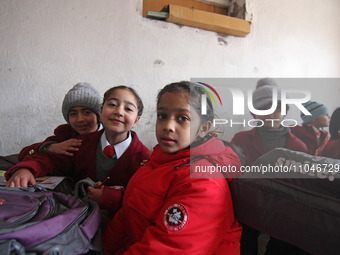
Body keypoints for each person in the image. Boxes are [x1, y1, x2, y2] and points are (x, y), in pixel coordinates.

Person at [103, 81, 242, 255]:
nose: (168, 126)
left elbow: (169, 248)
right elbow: (128, 216)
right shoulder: (158, 161)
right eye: (162, 115)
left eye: (183, 118)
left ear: (203, 129)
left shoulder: (205, 181)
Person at [6, 85, 151, 216]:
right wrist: (26, 169)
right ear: (101, 111)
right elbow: (51, 160)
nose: (118, 112)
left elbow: (145, 199)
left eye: (128, 109)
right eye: (112, 104)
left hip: (117, 222)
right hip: (78, 215)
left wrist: (109, 197)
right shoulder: (82, 144)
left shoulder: (143, 158)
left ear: (136, 121)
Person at [231, 78, 309, 255]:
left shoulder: (298, 146)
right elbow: (234, 175)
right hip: (248, 206)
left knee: (283, 245)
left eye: (276, 108)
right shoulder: (241, 140)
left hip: (282, 209)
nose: (270, 113)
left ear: (285, 111)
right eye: (263, 108)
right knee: (243, 243)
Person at [18, 82, 102, 161]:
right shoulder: (65, 135)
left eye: (86, 112)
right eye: (73, 114)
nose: (80, 119)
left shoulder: (109, 135)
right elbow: (23, 154)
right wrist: (51, 147)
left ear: (99, 115)